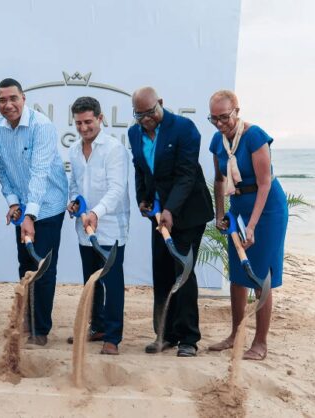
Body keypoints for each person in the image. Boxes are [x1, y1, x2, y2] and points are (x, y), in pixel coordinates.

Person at [128, 87, 213, 357]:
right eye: (139, 115)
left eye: (150, 112)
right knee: (162, 272)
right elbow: (140, 168)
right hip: (159, 215)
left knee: (183, 273)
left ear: (161, 103)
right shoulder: (134, 133)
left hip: (187, 214)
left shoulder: (185, 129)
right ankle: (165, 334)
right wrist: (143, 198)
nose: (146, 119)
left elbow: (186, 174)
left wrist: (170, 210)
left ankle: (188, 338)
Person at [207, 90, 288, 361]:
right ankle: (235, 335)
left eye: (224, 117)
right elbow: (219, 180)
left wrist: (251, 226)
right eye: (214, 118)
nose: (220, 123)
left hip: (267, 210)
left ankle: (260, 342)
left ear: (237, 111)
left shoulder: (254, 136)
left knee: (260, 275)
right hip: (239, 207)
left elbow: (265, 183)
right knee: (237, 275)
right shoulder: (217, 142)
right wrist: (220, 213)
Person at [0, 78, 69, 346]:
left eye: (13, 98)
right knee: (25, 265)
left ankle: (40, 330)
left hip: (47, 206)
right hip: (23, 207)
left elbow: (39, 173)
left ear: (23, 98)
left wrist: (30, 216)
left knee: (42, 267)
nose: (8, 104)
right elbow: (1, 168)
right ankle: (28, 319)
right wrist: (14, 203)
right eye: (2, 100)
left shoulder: (42, 126)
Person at [66, 97, 130, 355]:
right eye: (78, 123)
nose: (83, 128)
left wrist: (96, 212)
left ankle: (112, 338)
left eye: (88, 122)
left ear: (100, 118)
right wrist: (74, 204)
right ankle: (98, 327)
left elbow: (117, 189)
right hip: (84, 228)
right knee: (90, 282)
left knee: (112, 283)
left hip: (111, 228)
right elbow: (74, 185)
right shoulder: (74, 150)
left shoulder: (114, 149)